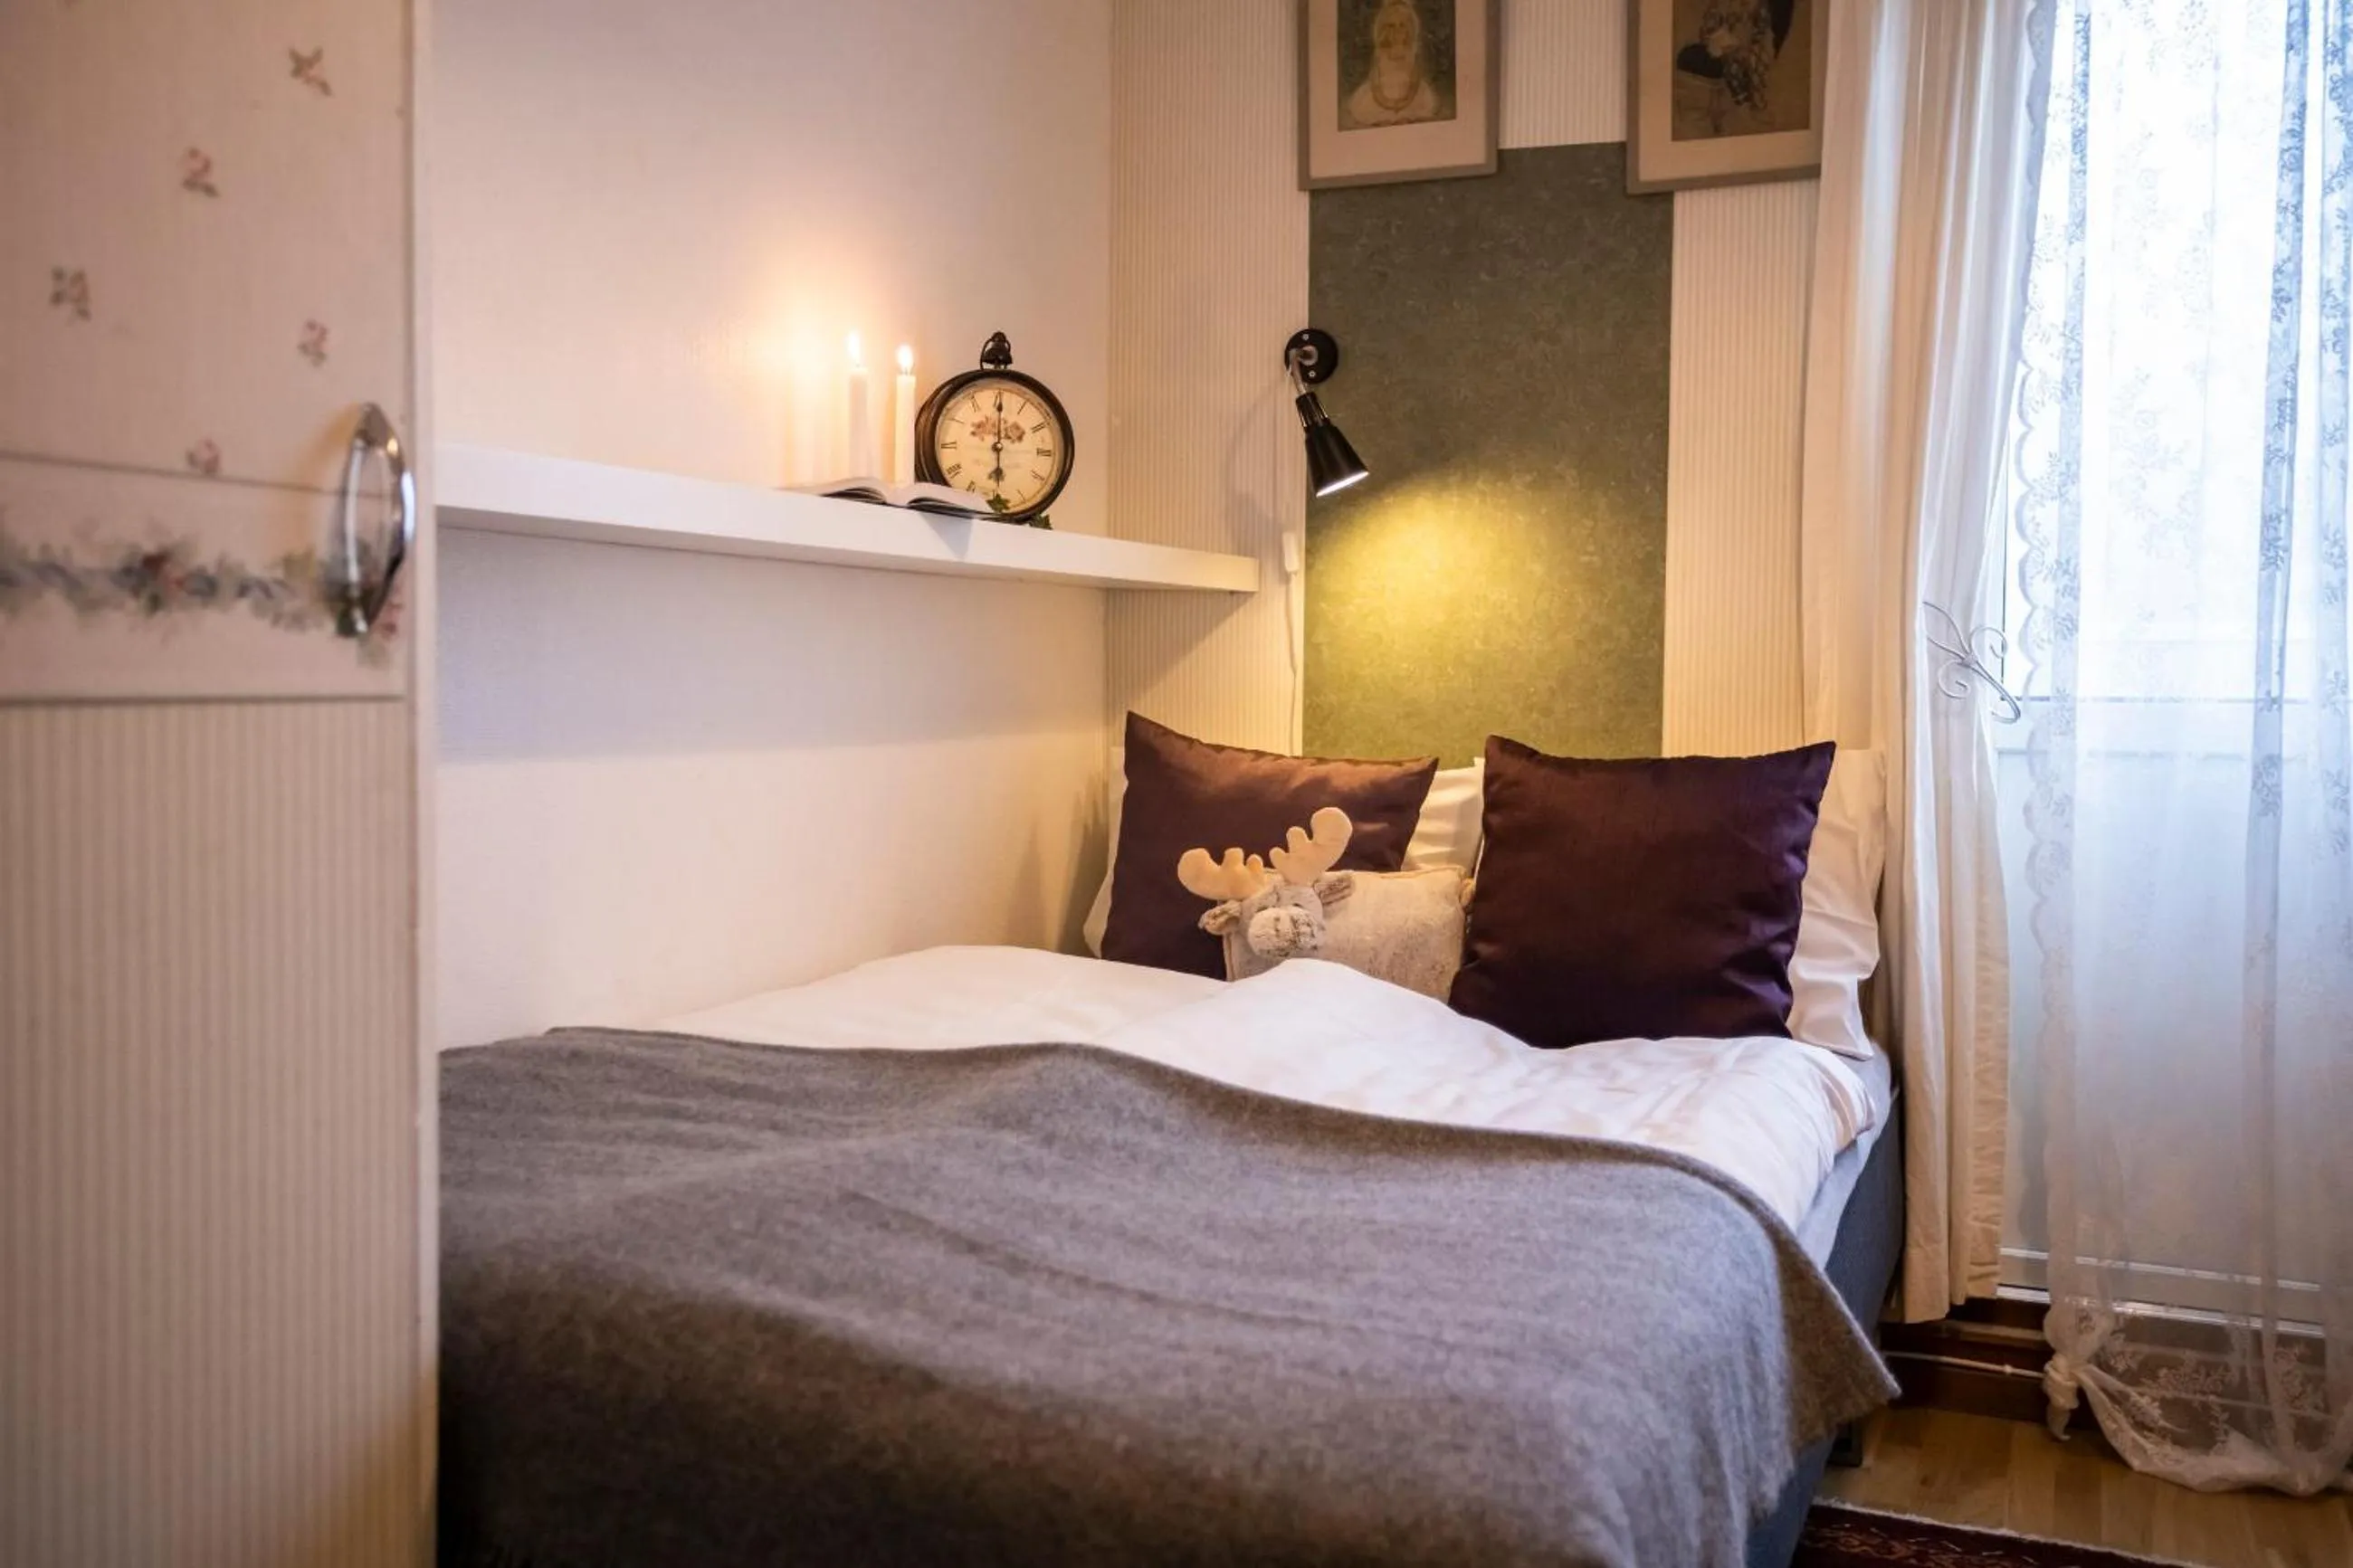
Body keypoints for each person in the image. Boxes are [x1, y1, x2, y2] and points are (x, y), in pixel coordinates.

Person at [1343, 0, 1450, 128]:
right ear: (1383, 29)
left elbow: (1415, 72)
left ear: (1410, 29)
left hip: (1411, 92)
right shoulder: (1381, 51)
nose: (1397, 31)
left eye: (1402, 25)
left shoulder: (1411, 49)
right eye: (1391, 26)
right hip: (1381, 91)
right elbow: (1376, 73)